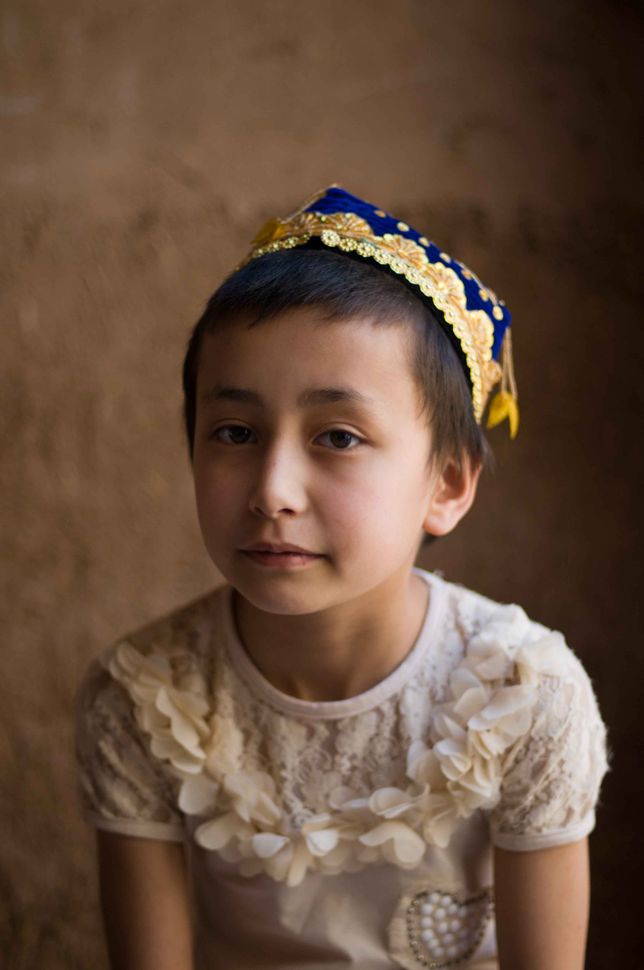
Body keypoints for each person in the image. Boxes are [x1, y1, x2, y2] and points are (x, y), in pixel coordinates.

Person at [74, 185, 610, 970]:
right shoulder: (147, 695)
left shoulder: (526, 696)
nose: (272, 490)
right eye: (234, 431)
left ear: (448, 485)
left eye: (337, 435)